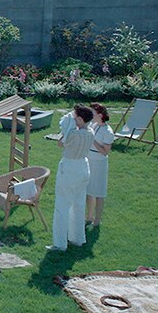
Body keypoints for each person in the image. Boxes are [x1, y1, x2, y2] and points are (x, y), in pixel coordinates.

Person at [49, 105, 94, 251]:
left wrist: (67, 126)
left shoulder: (74, 134)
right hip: (83, 167)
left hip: (70, 168)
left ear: (80, 119)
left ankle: (60, 244)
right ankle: (77, 238)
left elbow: (60, 143)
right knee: (79, 204)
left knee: (62, 206)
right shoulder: (91, 131)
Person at [86, 103, 114, 229]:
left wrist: (93, 140)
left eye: (93, 113)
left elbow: (105, 152)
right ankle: (89, 216)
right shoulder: (93, 125)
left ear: (100, 115)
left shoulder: (107, 131)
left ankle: (97, 220)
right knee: (89, 190)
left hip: (99, 162)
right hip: (89, 159)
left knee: (99, 192)